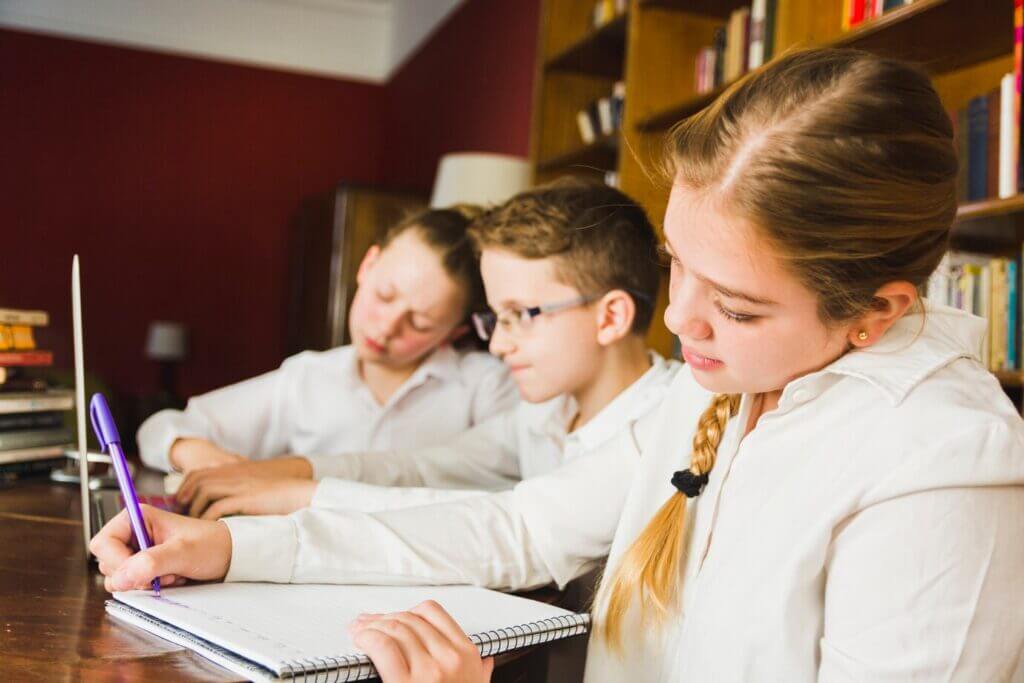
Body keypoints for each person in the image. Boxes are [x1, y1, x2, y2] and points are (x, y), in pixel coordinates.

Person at [136, 206, 517, 474]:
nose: (385, 328)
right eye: (384, 296)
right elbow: (159, 429)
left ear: (455, 332)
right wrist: (191, 451)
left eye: (419, 323)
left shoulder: (486, 387)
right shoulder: (308, 377)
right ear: (368, 265)